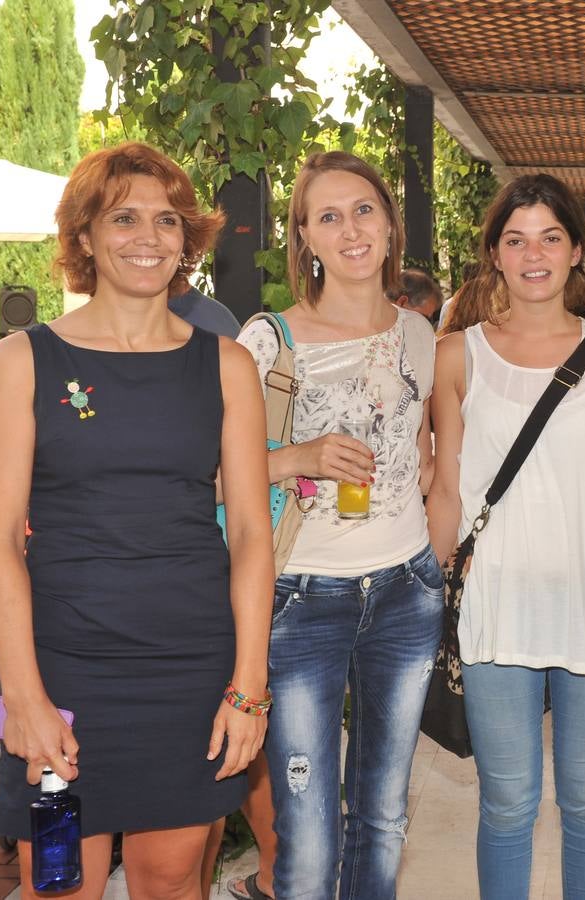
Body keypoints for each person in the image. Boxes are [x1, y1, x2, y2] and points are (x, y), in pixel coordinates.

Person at [0, 141, 273, 897]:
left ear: (187, 239)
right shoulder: (22, 361)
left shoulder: (228, 365)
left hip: (188, 675)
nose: (149, 237)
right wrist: (25, 696)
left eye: (168, 220)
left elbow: (248, 536)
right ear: (84, 237)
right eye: (124, 218)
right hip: (62, 676)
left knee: (172, 881)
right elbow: (0, 545)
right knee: (59, 879)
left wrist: (247, 686)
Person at [426, 173, 585, 900]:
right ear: (494, 254)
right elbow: (445, 485)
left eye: (550, 238)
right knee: (508, 804)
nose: (534, 255)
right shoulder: (458, 354)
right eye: (517, 239)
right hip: (497, 606)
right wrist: (435, 600)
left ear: (575, 252)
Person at [236, 150, 442, 900]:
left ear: (389, 225)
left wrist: (425, 495)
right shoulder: (268, 341)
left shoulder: (422, 336)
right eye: (329, 216)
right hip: (301, 601)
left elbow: (422, 450)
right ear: (306, 239)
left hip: (405, 593)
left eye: (363, 209)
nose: (350, 228)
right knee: (311, 842)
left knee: (383, 819)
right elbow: (215, 472)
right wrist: (301, 454)